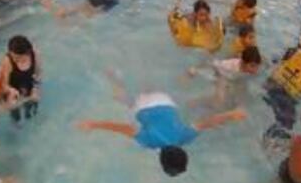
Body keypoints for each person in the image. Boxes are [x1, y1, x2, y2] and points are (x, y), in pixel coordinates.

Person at [78, 73, 247, 176]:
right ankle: (113, 77)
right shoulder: (149, 141)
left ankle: (123, 78)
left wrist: (232, 114)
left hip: (166, 101)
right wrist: (93, 124)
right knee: (122, 99)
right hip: (143, 105)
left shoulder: (184, 137)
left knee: (150, 91)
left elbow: (207, 123)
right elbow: (125, 128)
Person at [0, 35, 41, 123]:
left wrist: (36, 88)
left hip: (28, 86)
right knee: (15, 115)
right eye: (12, 56)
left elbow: (38, 74)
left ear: (27, 53)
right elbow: (3, 84)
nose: (14, 59)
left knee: (32, 111)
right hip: (13, 90)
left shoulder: (34, 54)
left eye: (17, 57)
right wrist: (11, 90)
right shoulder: (7, 61)